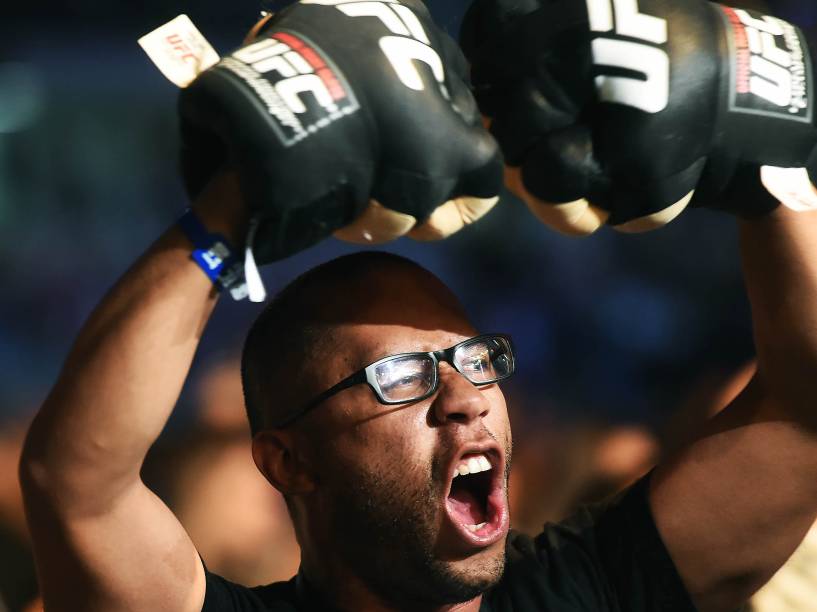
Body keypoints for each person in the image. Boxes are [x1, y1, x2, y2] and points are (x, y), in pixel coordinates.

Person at [18, 1, 817, 611]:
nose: (466, 399)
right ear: (287, 461)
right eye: (401, 376)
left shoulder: (590, 587)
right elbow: (77, 485)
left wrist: (771, 179)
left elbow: (802, 412)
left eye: (475, 359)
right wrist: (229, 217)